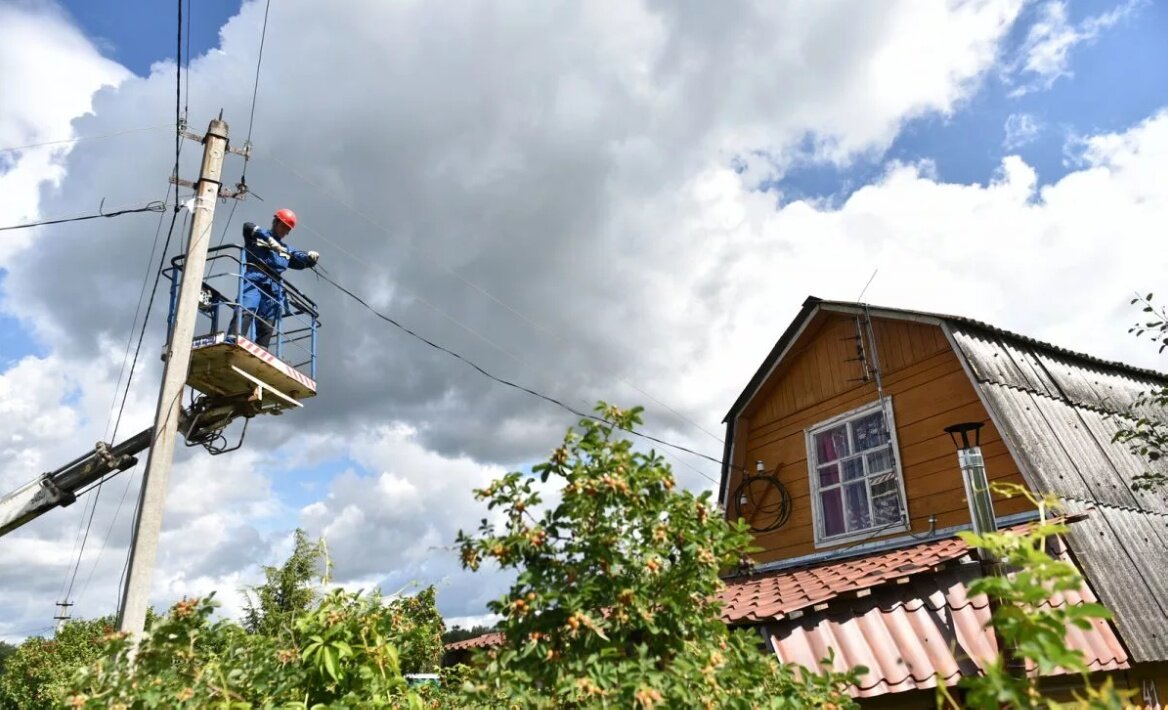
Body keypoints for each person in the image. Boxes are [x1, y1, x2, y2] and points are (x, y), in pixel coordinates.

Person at [236, 208, 319, 349]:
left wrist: (310, 259)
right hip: (255, 279)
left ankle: (262, 349)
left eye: (287, 229)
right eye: (282, 226)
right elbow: (247, 226)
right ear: (275, 222)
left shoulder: (286, 250)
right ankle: (236, 338)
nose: (284, 231)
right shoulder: (257, 237)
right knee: (247, 306)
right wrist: (269, 239)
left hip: (273, 288)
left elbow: (298, 260)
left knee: (268, 321)